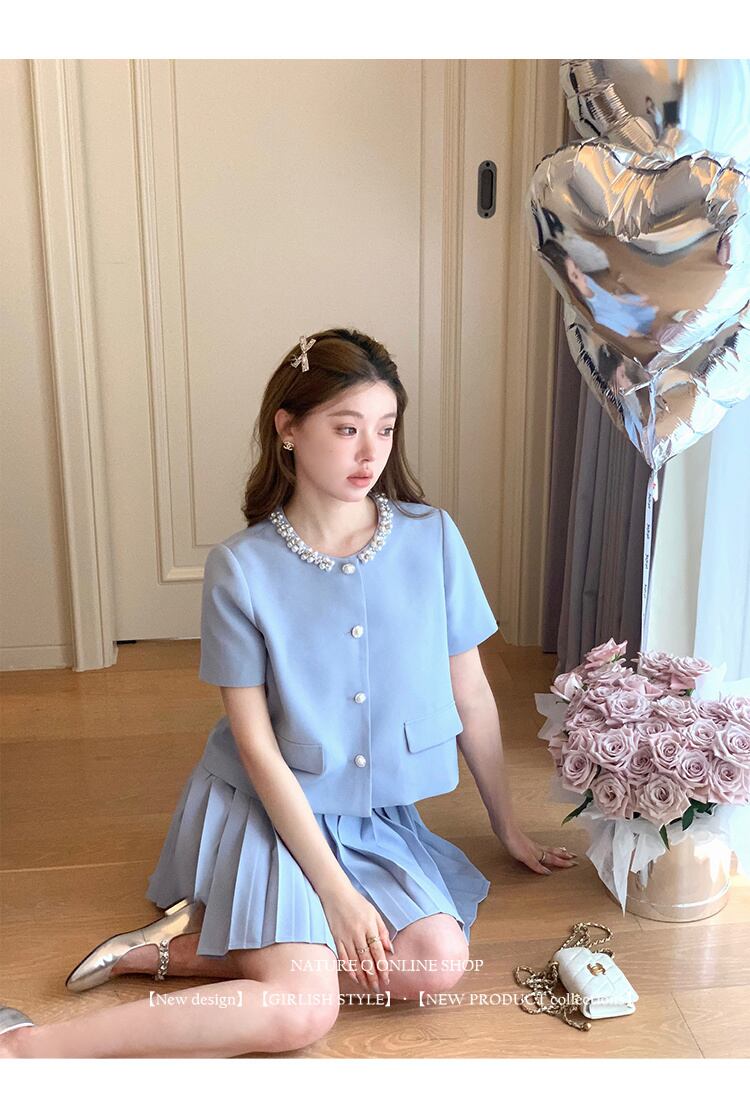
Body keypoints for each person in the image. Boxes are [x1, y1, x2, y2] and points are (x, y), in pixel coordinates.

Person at [1, 328, 576, 1059]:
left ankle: (171, 953)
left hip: (367, 815)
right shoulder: (241, 568)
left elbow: (472, 693)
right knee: (304, 1013)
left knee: (435, 965)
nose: (371, 453)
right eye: (346, 428)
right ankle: (26, 1049)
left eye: (385, 429)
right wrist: (336, 893)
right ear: (289, 429)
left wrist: (509, 828)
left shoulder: (432, 537)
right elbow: (255, 746)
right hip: (269, 806)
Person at [539, 240, 659, 339]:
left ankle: (629, 297)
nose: (580, 274)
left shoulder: (586, 280)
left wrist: (632, 302)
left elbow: (608, 296)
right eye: (575, 275)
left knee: (647, 302)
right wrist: (644, 336)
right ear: (569, 282)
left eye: (576, 267)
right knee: (652, 310)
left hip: (620, 305)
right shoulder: (600, 315)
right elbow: (627, 331)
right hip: (628, 320)